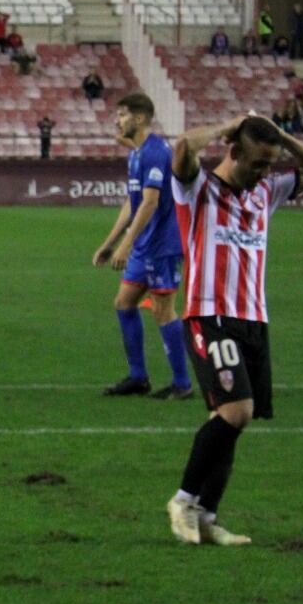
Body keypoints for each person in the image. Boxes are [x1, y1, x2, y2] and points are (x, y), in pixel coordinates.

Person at [164, 114, 303, 546]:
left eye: (269, 165)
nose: (265, 172)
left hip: (254, 319)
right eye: (258, 162)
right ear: (233, 151)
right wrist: (231, 125)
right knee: (238, 412)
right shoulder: (197, 188)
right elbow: (183, 148)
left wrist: (282, 138)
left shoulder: (265, 191)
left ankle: (207, 516)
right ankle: (183, 500)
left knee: (231, 422)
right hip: (209, 314)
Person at [92, 94, 192, 399]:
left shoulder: (156, 152)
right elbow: (132, 202)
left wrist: (126, 244)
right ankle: (138, 377)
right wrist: (109, 244)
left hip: (161, 246)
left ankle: (182, 383)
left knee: (163, 311)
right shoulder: (136, 154)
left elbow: (150, 202)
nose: (117, 121)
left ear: (138, 118)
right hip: (143, 246)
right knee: (124, 303)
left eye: (122, 115)